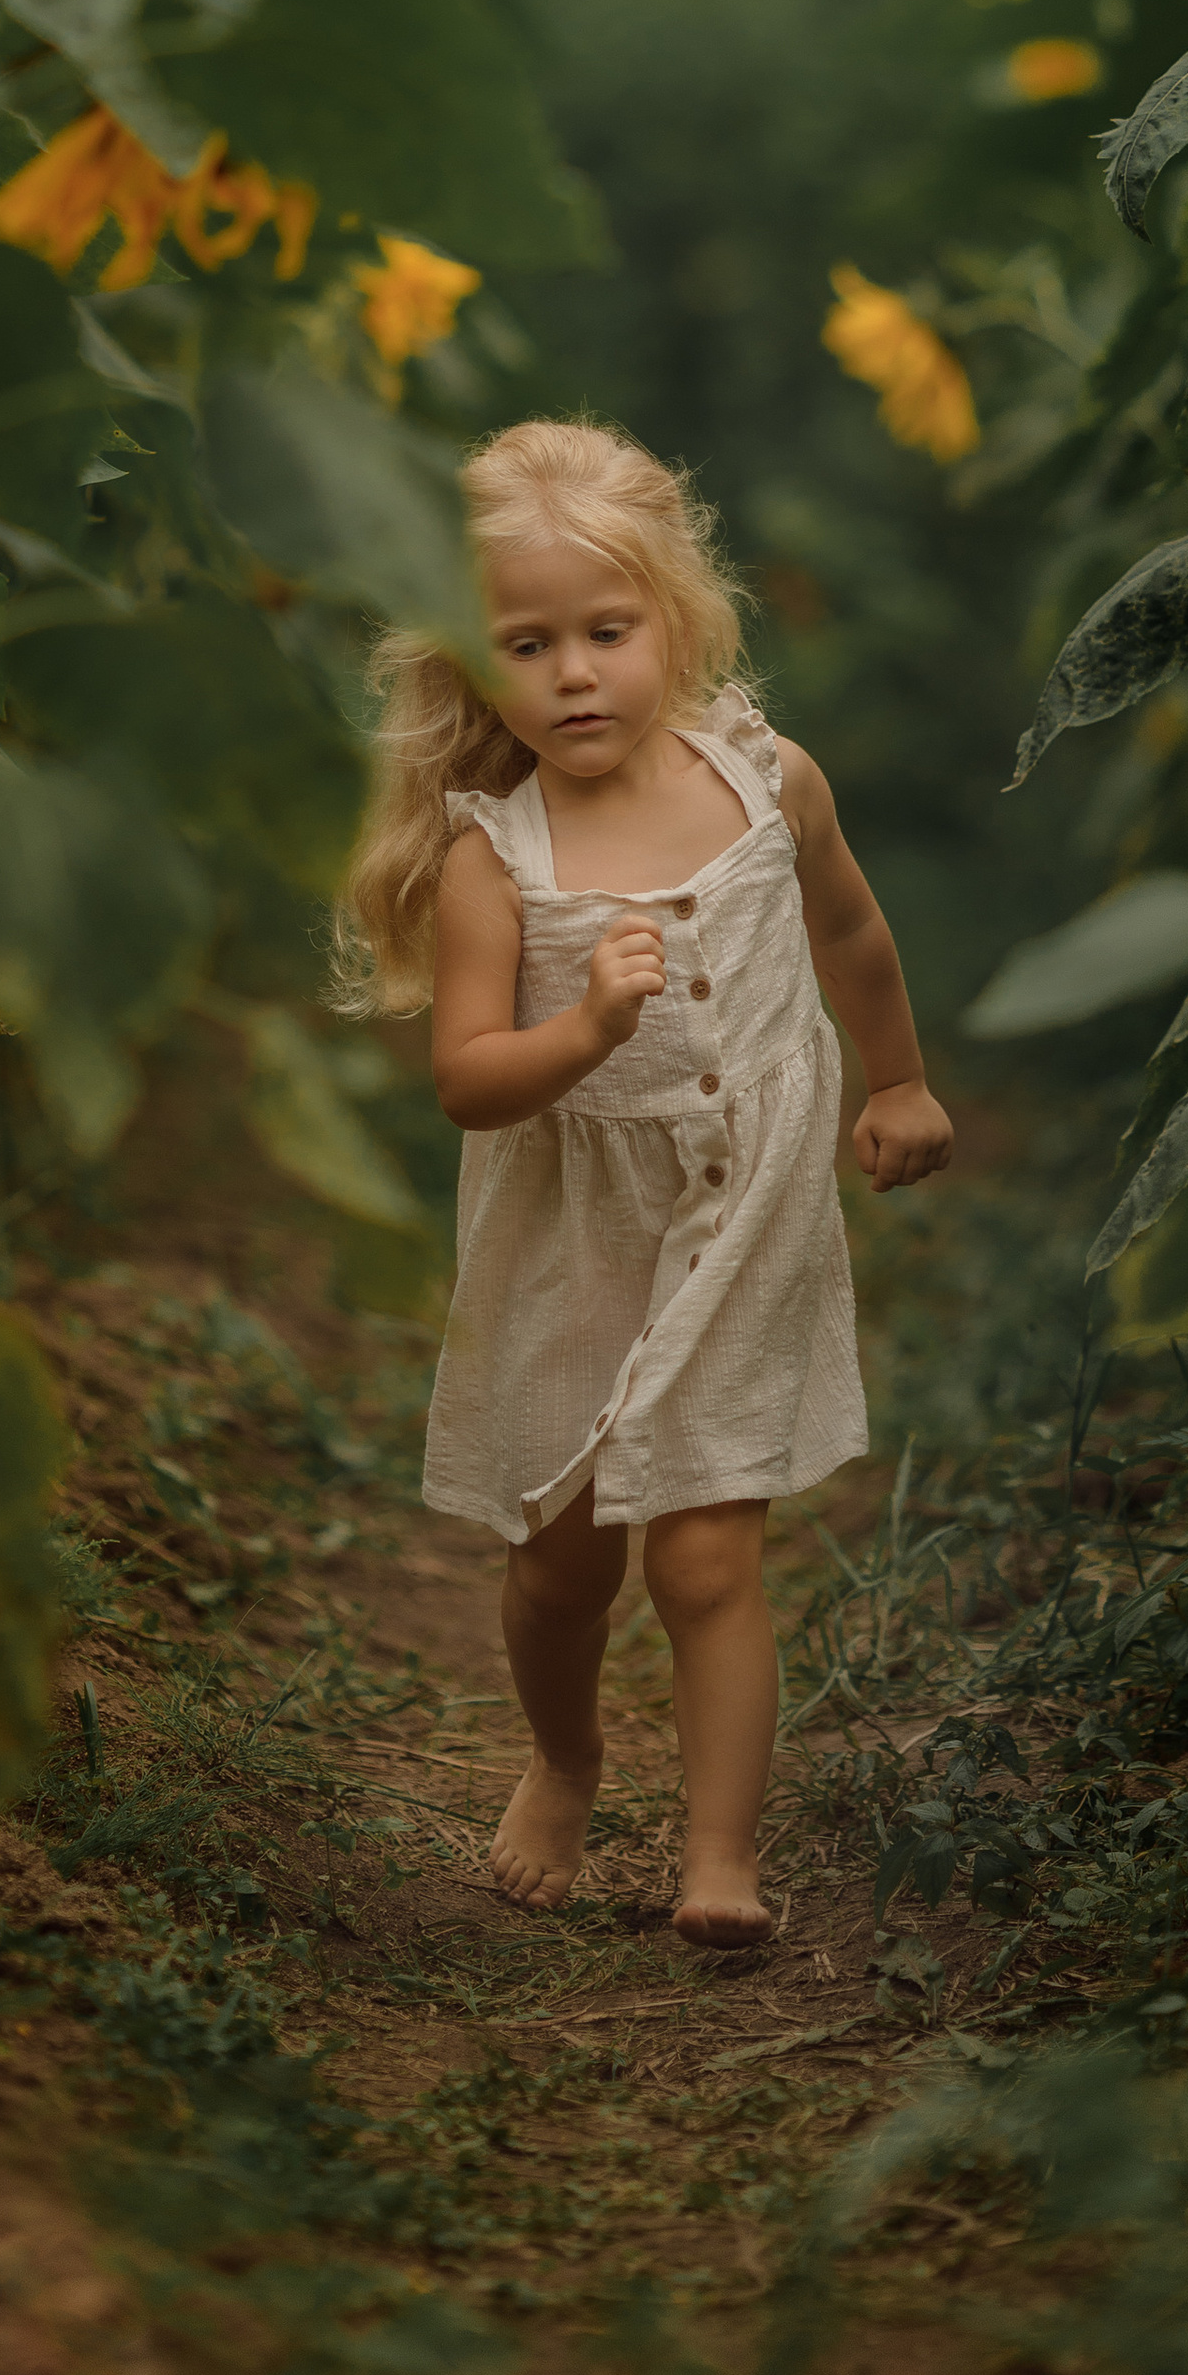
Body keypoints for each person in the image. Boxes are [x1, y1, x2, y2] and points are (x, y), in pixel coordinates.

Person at [335, 417, 952, 1947]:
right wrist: (586, 1029)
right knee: (561, 1567)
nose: (574, 675)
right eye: (525, 644)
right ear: (472, 663)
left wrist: (897, 1079)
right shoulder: (497, 859)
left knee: (706, 1552)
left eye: (606, 632)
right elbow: (469, 1080)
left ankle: (719, 1856)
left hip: (744, 1208)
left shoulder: (767, 781)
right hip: (573, 1229)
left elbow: (850, 931)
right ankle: (566, 1756)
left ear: (674, 617)